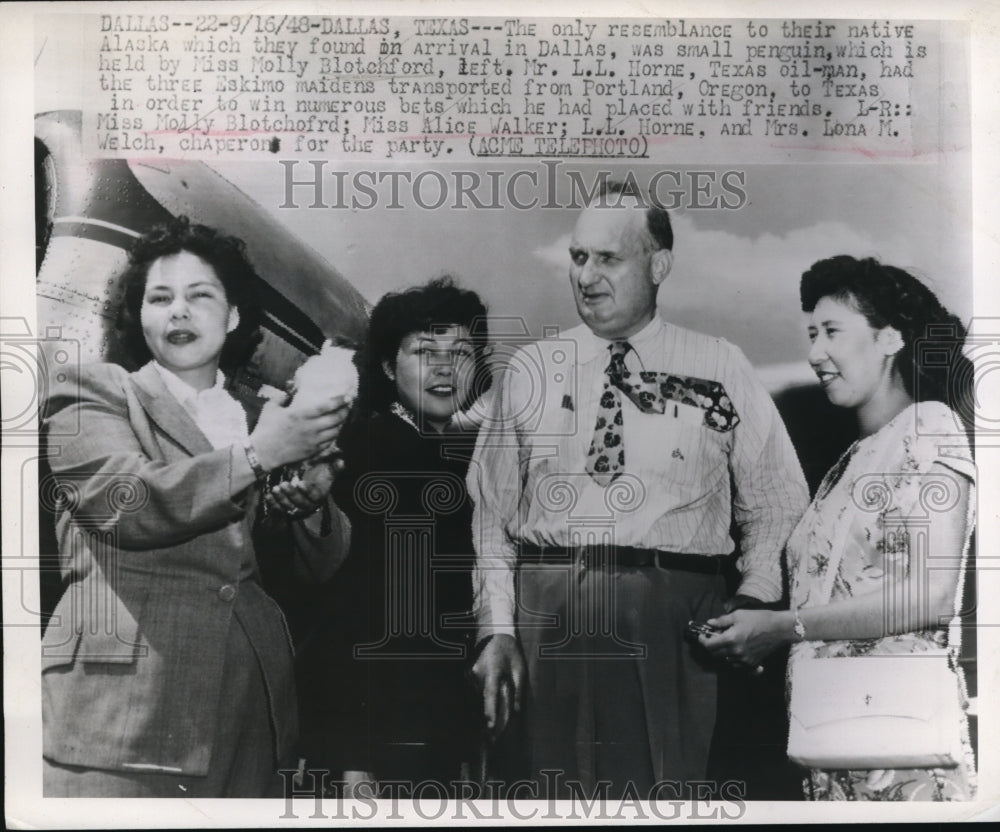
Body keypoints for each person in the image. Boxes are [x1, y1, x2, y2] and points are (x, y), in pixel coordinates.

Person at [467, 181, 810, 797]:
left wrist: (755, 597)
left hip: (673, 617)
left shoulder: (720, 365)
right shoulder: (528, 372)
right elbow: (493, 518)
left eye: (608, 258)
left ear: (659, 265)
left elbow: (778, 497)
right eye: (578, 257)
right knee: (543, 797)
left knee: (662, 793)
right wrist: (496, 631)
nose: (587, 276)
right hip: (545, 613)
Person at [40, 218, 351, 797]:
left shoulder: (262, 414)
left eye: (200, 295)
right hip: (122, 722)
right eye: (160, 298)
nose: (178, 311)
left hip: (247, 718)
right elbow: (122, 502)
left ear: (233, 317)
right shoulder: (92, 391)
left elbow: (323, 568)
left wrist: (311, 504)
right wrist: (260, 456)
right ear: (140, 318)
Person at [700, 255, 976, 800]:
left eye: (831, 331)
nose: (814, 353)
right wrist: (759, 629)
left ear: (891, 337)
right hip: (833, 748)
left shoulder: (929, 427)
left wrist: (782, 627)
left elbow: (928, 594)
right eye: (810, 334)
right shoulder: (850, 463)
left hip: (901, 757)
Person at [296, 277, 492, 793]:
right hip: (377, 738)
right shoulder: (369, 451)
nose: (446, 368)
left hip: (432, 729)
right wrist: (351, 755)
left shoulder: (453, 459)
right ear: (387, 366)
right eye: (426, 351)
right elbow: (347, 614)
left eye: (462, 353)